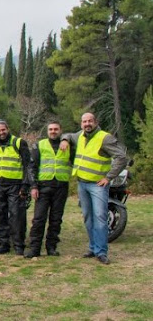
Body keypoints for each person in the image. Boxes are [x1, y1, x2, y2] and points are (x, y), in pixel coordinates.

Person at [60, 113, 127, 265]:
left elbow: (121, 157)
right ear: (81, 124)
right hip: (82, 183)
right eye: (84, 121)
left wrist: (108, 177)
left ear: (96, 122)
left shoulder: (105, 138)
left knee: (100, 218)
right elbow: (68, 135)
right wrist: (64, 139)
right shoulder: (80, 135)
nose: (87, 124)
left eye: (90, 121)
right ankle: (93, 247)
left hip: (97, 185)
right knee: (88, 218)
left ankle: (101, 251)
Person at [25, 121, 73, 258]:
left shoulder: (69, 145)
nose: (53, 131)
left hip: (61, 187)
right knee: (39, 219)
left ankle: (51, 247)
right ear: (47, 131)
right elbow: (32, 167)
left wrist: (66, 139)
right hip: (43, 187)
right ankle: (34, 248)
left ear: (61, 130)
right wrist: (33, 186)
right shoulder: (39, 145)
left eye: (56, 129)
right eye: (50, 129)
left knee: (56, 219)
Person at [0, 120, 34, 255]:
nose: (1, 133)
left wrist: (25, 185)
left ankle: (19, 244)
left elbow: (28, 165)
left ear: (8, 129)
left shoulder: (19, 143)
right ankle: (3, 243)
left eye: (3, 130)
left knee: (16, 216)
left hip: (15, 186)